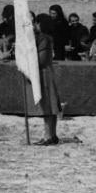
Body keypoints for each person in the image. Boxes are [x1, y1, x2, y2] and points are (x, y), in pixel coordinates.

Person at [30, 14, 63, 146]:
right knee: (50, 105)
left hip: (43, 73)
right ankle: (52, 135)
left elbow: (41, 59)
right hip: (47, 71)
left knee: (47, 106)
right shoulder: (47, 37)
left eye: (36, 23)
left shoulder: (44, 38)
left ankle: (48, 136)